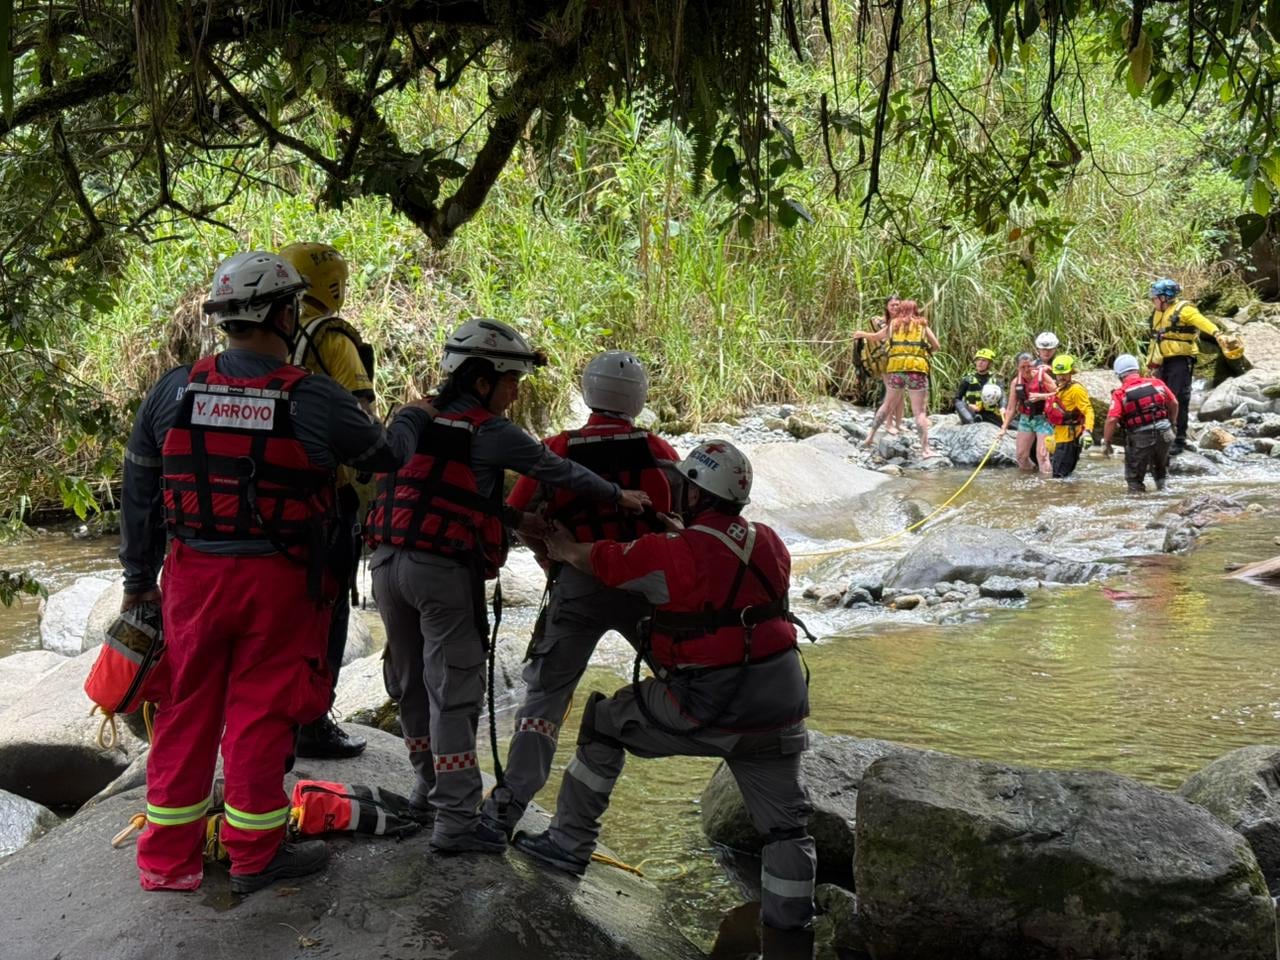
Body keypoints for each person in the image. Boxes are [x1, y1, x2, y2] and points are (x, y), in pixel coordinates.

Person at [120, 251, 436, 894]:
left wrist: (136, 583)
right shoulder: (314, 397)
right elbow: (382, 456)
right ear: (281, 314)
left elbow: (141, 495)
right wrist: (411, 416)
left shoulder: (172, 391)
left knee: (185, 709)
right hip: (280, 578)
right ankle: (255, 856)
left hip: (191, 579)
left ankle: (166, 861)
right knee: (262, 712)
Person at [365, 319, 652, 854]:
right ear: (480, 380)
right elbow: (555, 470)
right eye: (511, 381)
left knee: (408, 682)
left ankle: (427, 789)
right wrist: (619, 497)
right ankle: (456, 822)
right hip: (440, 572)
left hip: (385, 565)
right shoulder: (488, 431)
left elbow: (462, 497)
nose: (516, 392)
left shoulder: (416, 418)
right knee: (453, 690)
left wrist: (522, 527)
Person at [513, 440, 816, 933]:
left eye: (683, 485)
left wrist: (565, 547)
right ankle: (791, 932)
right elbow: (722, 568)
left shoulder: (673, 552)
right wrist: (684, 537)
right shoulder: (770, 541)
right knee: (787, 829)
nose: (676, 490)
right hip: (781, 707)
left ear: (695, 495)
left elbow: (603, 559)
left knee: (604, 722)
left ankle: (568, 844)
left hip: (709, 705)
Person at [480, 351, 680, 837]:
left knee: (546, 697)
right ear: (637, 396)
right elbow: (681, 525)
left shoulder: (558, 448)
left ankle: (507, 805)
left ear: (590, 391)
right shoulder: (660, 452)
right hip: (644, 586)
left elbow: (518, 513)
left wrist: (551, 558)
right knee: (684, 681)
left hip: (575, 582)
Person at [279, 241, 373, 760]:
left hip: (271, 500)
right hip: (325, 501)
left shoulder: (267, 332)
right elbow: (357, 418)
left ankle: (276, 713)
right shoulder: (331, 337)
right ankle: (313, 720)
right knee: (330, 610)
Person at [852, 298, 940, 456]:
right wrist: (923, 352)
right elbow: (936, 346)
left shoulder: (893, 324)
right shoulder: (922, 325)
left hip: (896, 370)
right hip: (916, 371)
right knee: (919, 412)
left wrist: (860, 334)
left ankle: (870, 437)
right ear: (915, 310)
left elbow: (875, 337)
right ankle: (925, 450)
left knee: (886, 405)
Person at [1146, 278, 1218, 455]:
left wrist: (1218, 333)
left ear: (1165, 297)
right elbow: (1156, 340)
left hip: (1180, 360)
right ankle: (1162, 436)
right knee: (1159, 399)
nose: (1152, 300)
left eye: (1155, 297)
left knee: (1178, 398)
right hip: (1162, 361)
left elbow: (1203, 322)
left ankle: (1179, 439)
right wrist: (1151, 363)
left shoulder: (1184, 310)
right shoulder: (1158, 312)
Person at [1102, 353, 1179, 494]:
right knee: (1160, 469)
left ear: (1119, 375)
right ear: (1137, 370)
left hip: (1140, 437)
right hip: (1165, 434)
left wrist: (1106, 442)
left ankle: (1137, 502)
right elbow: (1174, 403)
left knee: (1134, 478)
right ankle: (1165, 496)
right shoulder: (1157, 383)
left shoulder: (1121, 393)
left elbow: (1112, 419)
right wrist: (1173, 423)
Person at [1000, 352, 1057, 475]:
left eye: (1029, 366)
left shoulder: (1042, 377)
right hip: (1026, 419)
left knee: (1042, 456)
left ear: (1034, 365)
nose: (1026, 370)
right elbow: (1011, 408)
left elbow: (1059, 394)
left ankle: (1046, 486)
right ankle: (1030, 481)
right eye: (1022, 367)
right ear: (1018, 368)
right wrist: (1004, 427)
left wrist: (1041, 396)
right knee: (1021, 456)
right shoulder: (1016, 382)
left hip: (1044, 419)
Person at [1044, 355, 1094, 479]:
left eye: (1064, 374)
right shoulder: (1060, 387)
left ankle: (1063, 496)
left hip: (1069, 439)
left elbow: (1088, 410)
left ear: (1071, 372)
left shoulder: (1076, 390)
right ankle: (1068, 495)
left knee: (1060, 477)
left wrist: (1087, 431)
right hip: (1059, 436)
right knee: (1061, 476)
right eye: (1058, 374)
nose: (1061, 377)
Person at [953, 348, 1003, 426]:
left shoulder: (996, 380)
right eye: (978, 360)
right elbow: (957, 399)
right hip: (971, 412)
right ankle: (971, 421)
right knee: (960, 405)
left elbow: (1002, 397)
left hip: (989, 413)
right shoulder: (967, 379)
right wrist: (968, 406)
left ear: (989, 364)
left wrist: (1003, 407)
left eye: (984, 360)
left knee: (1012, 424)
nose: (980, 362)